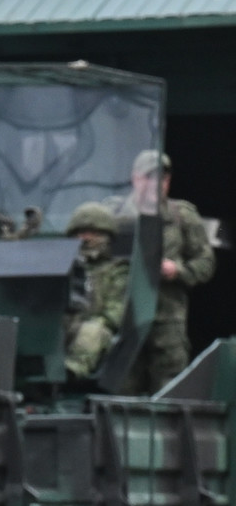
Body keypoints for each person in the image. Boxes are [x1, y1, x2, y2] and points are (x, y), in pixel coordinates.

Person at [104, 150, 215, 394]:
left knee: (170, 388)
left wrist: (179, 270)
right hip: (122, 316)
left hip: (167, 318)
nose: (156, 185)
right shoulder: (112, 214)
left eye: (162, 179)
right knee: (121, 389)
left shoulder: (181, 215)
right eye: (149, 178)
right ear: (135, 179)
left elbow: (206, 262)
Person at [62, 202, 130, 380]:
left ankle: (70, 371)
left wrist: (94, 322)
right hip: (67, 325)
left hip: (98, 329)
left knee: (92, 331)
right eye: (80, 233)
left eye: (93, 233)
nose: (85, 238)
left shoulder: (118, 271)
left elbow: (115, 313)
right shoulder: (64, 269)